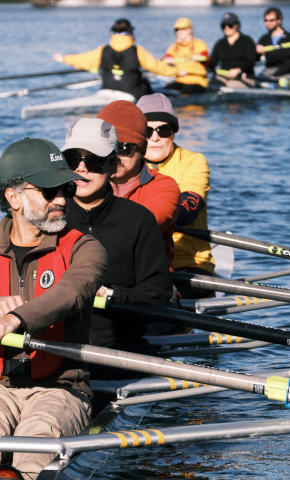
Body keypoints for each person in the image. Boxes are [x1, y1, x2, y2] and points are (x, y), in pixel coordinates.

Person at [0, 137, 107, 480]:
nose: (61, 199)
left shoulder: (86, 248)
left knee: (38, 436)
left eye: (66, 188)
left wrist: (13, 319)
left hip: (62, 387)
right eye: (49, 190)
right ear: (14, 197)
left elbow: (71, 293)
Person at [60, 118, 173, 379]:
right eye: (73, 159)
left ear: (113, 166)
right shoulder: (52, 214)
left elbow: (157, 292)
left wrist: (112, 294)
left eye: (94, 161)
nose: (82, 169)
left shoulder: (138, 220)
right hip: (53, 348)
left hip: (117, 350)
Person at [136, 93, 216, 299]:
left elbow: (189, 209)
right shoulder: (123, 163)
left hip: (188, 264)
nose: (154, 137)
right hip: (138, 261)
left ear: (173, 133)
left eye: (163, 130)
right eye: (147, 130)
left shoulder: (193, 161)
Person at [96, 100, 181, 269]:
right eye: (108, 149)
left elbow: (139, 228)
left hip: (147, 285)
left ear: (141, 150)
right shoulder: (85, 183)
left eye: (124, 148)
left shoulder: (163, 187)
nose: (115, 157)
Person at [53, 18, 180, 100]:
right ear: (131, 33)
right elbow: (158, 68)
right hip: (131, 94)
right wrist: (178, 71)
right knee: (149, 86)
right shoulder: (137, 51)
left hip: (106, 90)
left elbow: (83, 60)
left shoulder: (103, 50)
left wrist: (64, 58)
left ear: (112, 34)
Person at [207, 12, 258, 88]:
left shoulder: (247, 41)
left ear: (237, 25)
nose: (226, 28)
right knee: (211, 84)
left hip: (244, 77)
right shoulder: (220, 44)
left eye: (230, 25)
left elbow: (251, 60)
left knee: (230, 85)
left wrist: (238, 70)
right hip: (223, 76)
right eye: (223, 25)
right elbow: (212, 64)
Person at [161, 17, 210, 94]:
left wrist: (200, 58)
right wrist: (166, 60)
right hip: (179, 80)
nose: (179, 32)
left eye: (182, 29)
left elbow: (206, 58)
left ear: (190, 30)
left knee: (187, 91)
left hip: (197, 81)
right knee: (163, 92)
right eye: (177, 30)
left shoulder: (199, 44)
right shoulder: (173, 48)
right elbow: (163, 60)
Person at [256, 6, 290, 77]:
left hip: (286, 73)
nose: (268, 23)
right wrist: (255, 52)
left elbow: (289, 63)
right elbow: (255, 59)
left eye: (271, 20)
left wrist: (274, 76)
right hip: (268, 71)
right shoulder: (264, 39)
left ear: (279, 20)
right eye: (266, 20)